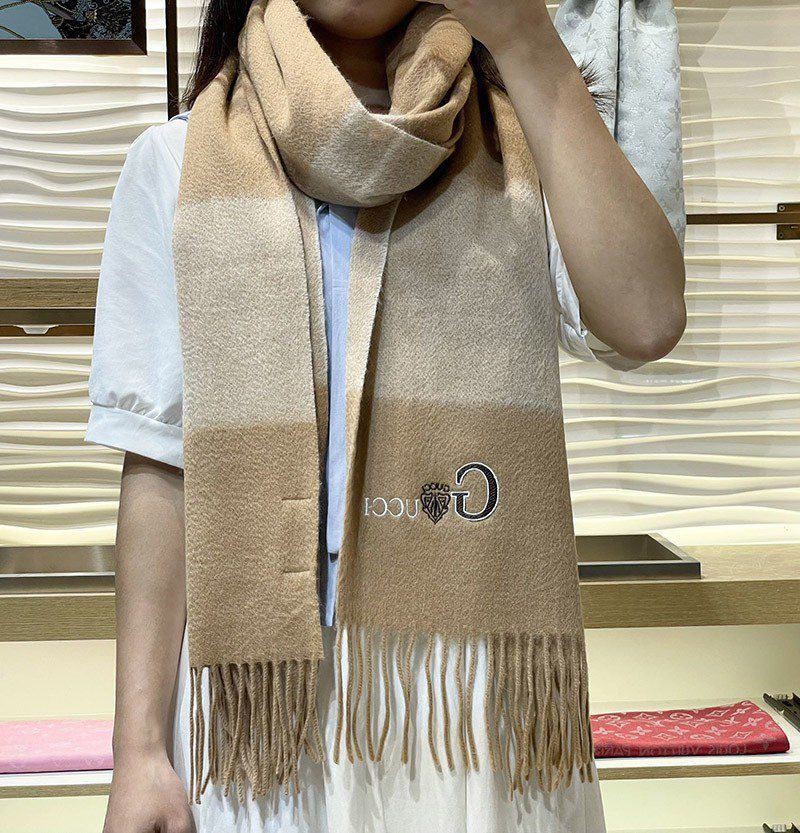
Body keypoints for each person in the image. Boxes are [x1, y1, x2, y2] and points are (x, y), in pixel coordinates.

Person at [86, 1, 686, 831]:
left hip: (470, 702)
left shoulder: (518, 147)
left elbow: (646, 318)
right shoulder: (178, 161)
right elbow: (160, 464)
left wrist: (529, 44)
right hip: (265, 709)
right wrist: (138, 752)